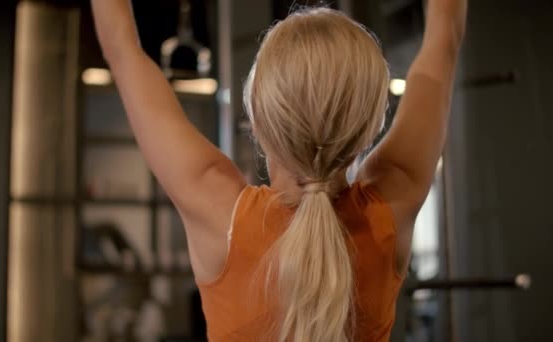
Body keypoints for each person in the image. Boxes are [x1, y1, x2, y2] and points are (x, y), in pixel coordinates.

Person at [90, 0, 467, 341]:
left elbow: (123, 52)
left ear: (256, 118)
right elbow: (443, 43)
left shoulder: (219, 208)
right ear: (369, 124)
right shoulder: (391, 203)